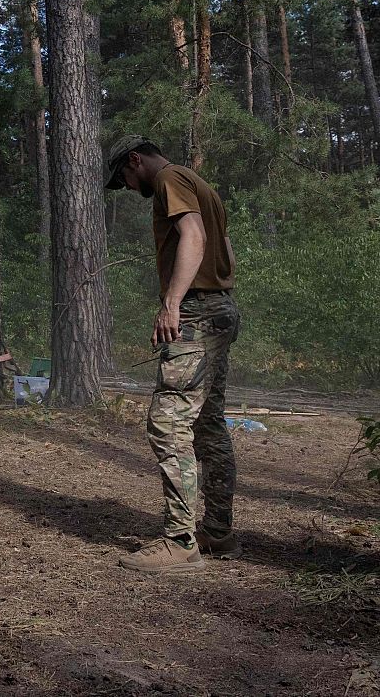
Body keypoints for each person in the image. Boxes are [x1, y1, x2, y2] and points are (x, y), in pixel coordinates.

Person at [103, 135, 241, 574]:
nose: (125, 186)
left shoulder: (166, 178)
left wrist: (173, 303)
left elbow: (194, 237)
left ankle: (180, 542)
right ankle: (216, 531)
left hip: (198, 311)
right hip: (219, 306)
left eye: (122, 177)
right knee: (207, 422)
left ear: (135, 160)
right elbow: (225, 249)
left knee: (168, 420)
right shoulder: (200, 184)